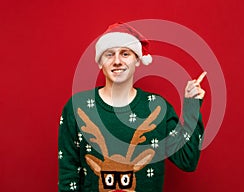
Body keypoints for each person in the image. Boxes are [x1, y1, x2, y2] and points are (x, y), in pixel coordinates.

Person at [58, 22, 206, 192]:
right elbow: (68, 175)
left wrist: (192, 107)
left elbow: (188, 160)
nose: (117, 61)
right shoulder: (77, 108)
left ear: (137, 59)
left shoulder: (156, 108)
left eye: (125, 53)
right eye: (109, 54)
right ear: (100, 62)